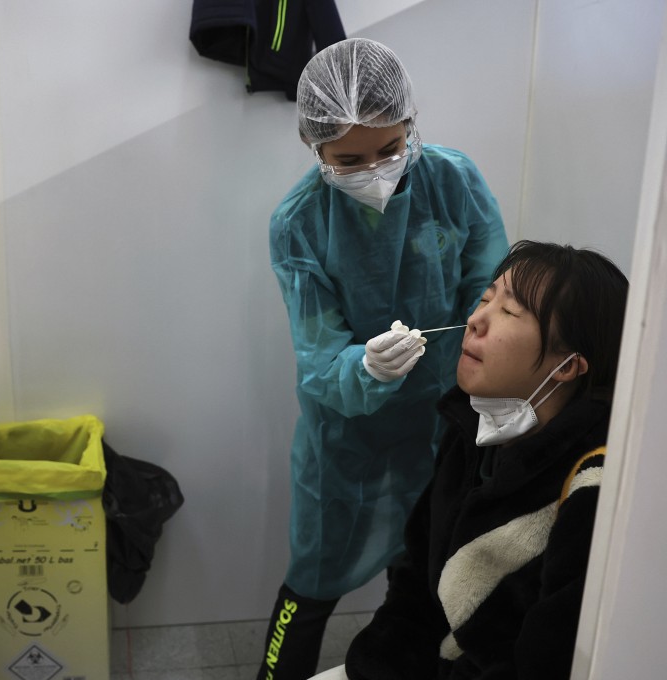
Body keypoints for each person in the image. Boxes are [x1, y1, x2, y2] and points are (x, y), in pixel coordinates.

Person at [258, 37, 509, 680]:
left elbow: (488, 297)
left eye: (390, 149)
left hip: (445, 425)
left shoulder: (455, 182)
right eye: (348, 159)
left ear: (410, 126)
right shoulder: (299, 224)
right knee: (313, 580)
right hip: (346, 440)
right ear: (315, 149)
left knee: (426, 572)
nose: (375, 168)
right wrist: (364, 369)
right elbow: (320, 359)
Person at [340, 240, 630, 680]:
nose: (475, 321)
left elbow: (545, 661)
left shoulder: (594, 490)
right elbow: (417, 580)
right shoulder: (474, 426)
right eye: (485, 298)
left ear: (568, 366)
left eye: (510, 312)